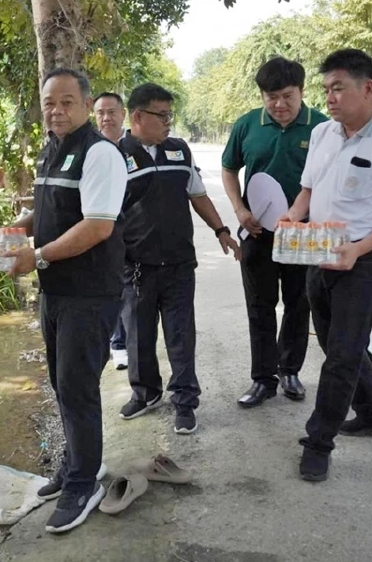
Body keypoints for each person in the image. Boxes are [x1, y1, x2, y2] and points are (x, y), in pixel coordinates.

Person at [280, 49, 372, 482]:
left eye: (338, 88)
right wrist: (293, 214)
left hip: (364, 259)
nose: (331, 97)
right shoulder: (323, 134)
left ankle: (318, 442)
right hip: (318, 251)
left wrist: (359, 249)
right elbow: (307, 189)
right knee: (337, 343)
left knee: (341, 355)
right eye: (327, 89)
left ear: (368, 88)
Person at [6, 68, 127, 534]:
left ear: (85, 103)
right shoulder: (50, 151)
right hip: (55, 291)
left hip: (90, 293)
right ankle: (79, 462)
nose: (56, 110)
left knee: (77, 387)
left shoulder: (100, 153)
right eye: (49, 103)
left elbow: (98, 225)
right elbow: (51, 208)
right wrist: (20, 227)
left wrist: (34, 255)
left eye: (66, 102)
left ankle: (84, 482)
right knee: (62, 383)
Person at [117, 83, 240, 435]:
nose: (169, 122)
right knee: (137, 336)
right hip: (136, 267)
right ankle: (146, 393)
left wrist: (221, 231)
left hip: (179, 265)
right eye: (163, 115)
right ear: (138, 116)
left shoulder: (179, 150)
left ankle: (184, 401)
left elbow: (197, 195)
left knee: (180, 336)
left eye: (171, 115)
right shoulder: (114, 155)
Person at [221, 57, 330, 408]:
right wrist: (240, 210)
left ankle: (290, 371)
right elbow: (228, 169)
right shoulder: (247, 125)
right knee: (260, 306)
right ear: (262, 96)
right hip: (256, 232)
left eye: (287, 96)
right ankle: (262, 379)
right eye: (272, 97)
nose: (280, 105)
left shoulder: (323, 128)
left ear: (302, 92)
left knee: (300, 304)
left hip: (303, 232)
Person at [93, 91, 129, 371]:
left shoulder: (133, 148)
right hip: (103, 236)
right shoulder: (91, 151)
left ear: (123, 114)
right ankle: (117, 344)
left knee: (130, 293)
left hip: (134, 234)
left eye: (111, 112)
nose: (106, 118)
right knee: (112, 289)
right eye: (100, 113)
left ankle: (126, 343)